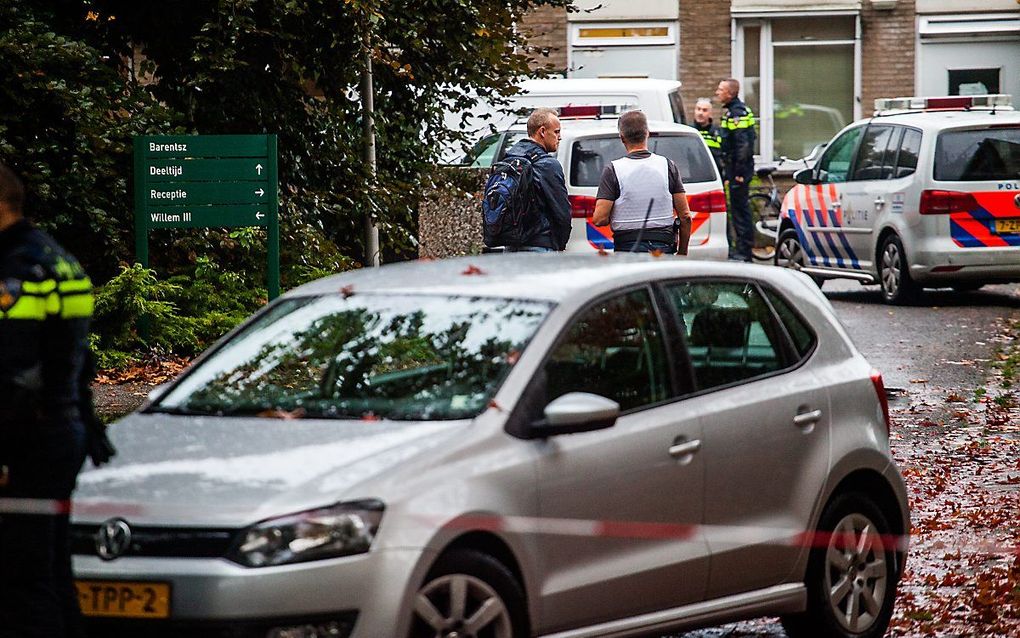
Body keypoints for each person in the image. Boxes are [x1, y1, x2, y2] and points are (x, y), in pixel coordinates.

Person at [0, 161, 95, 638]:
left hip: (28, 440)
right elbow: (79, 364)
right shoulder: (59, 258)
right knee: (54, 572)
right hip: (62, 430)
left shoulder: (17, 269)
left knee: (21, 581)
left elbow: (13, 375)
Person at [592, 110, 692, 254]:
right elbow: (685, 216)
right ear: (647, 133)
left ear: (622, 137)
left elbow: (599, 219)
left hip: (627, 249)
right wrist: (682, 253)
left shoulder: (613, 170)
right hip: (663, 246)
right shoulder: (668, 166)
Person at [492, 107, 570, 251]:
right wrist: (560, 243)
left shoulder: (509, 159)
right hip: (540, 244)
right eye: (556, 132)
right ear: (542, 131)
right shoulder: (548, 165)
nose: (559, 137)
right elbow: (561, 211)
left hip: (510, 245)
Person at [715, 78, 758, 262]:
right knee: (740, 209)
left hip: (738, 170)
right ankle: (742, 249)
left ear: (730, 94)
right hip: (736, 169)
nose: (717, 92)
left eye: (721, 89)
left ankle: (744, 251)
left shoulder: (736, 113)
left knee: (740, 211)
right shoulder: (735, 111)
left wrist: (739, 173)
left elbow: (743, 145)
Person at [692, 97, 725, 180]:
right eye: (698, 109)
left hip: (714, 178)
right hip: (692, 177)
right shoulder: (689, 132)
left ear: (710, 114)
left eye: (704, 110)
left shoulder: (718, 133)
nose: (700, 113)